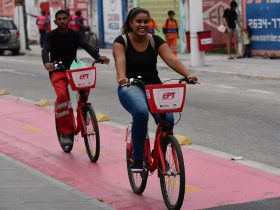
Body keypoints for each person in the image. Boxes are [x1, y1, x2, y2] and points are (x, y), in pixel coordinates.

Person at [112, 7, 197, 172]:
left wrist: (188, 74)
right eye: (138, 21)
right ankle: (137, 158)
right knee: (141, 113)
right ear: (131, 23)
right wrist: (122, 77)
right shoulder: (121, 41)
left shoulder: (155, 40)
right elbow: (120, 60)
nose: (142, 25)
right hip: (130, 85)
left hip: (154, 86)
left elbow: (171, 59)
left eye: (145, 21)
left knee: (168, 120)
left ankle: (159, 155)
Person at [41, 9, 110, 146]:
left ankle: (83, 110)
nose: (62, 21)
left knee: (86, 86)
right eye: (59, 19)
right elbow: (45, 50)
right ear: (55, 22)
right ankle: (66, 132)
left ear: (69, 20)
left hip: (73, 69)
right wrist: (47, 62)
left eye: (64, 18)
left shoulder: (75, 34)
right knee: (62, 97)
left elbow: (87, 46)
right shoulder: (50, 35)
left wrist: (98, 57)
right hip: (57, 70)